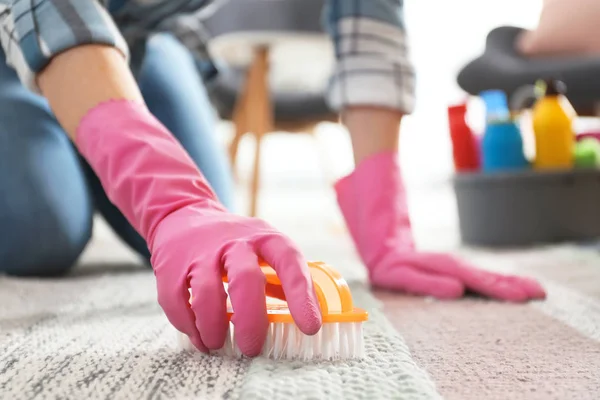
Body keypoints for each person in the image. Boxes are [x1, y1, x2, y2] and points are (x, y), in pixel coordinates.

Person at [0, 0, 545, 358]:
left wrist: (386, 231)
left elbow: (368, 16)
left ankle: (100, 107)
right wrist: (167, 199)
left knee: (213, 239)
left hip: (142, 41)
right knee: (42, 230)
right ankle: (46, 111)